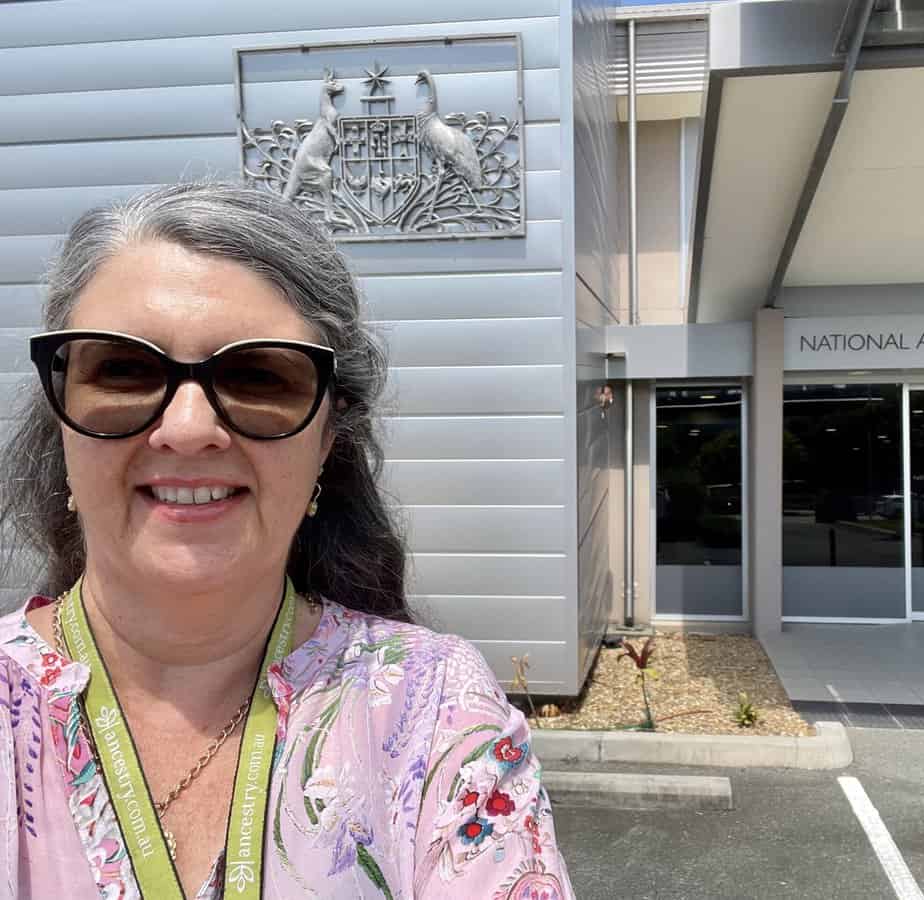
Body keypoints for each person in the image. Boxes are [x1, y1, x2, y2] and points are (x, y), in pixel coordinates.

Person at [0, 183, 573, 899]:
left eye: (257, 376)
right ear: (62, 422)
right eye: (123, 367)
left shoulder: (434, 710)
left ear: (329, 440)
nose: (186, 427)